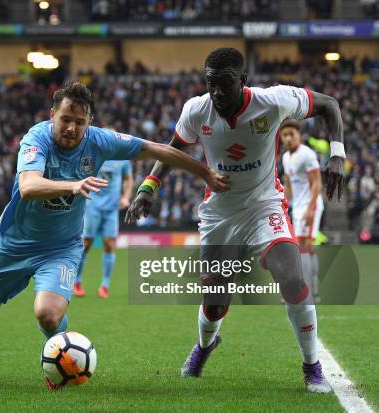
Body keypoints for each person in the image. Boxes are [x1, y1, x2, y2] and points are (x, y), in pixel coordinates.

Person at [0, 81, 229, 388]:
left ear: (89, 121)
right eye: (65, 119)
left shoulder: (100, 140)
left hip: (61, 247)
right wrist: (73, 184)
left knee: (47, 314)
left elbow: (157, 149)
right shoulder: (37, 139)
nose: (71, 128)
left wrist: (204, 173)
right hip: (15, 243)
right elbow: (30, 186)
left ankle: (60, 364)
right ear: (52, 116)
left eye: (79, 121)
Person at [126, 48, 345, 393]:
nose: (216, 92)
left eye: (224, 84)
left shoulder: (273, 101)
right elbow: (172, 150)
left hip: (264, 207)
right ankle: (205, 345)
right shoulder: (197, 110)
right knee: (215, 301)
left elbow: (329, 104)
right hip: (219, 215)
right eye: (210, 83)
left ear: (242, 80)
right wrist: (147, 188)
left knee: (292, 280)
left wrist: (337, 155)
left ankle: (312, 366)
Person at [73, 159, 133, 299]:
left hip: (112, 208)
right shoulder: (95, 153)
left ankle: (105, 285)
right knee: (86, 243)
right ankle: (77, 282)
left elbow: (128, 178)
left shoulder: (123, 158)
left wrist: (126, 197)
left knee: (109, 243)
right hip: (91, 204)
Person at [280, 120, 324, 302]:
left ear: (299, 135)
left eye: (292, 134)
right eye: (285, 135)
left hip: (309, 205)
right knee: (307, 247)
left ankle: (303, 291)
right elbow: (288, 184)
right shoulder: (286, 157)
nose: (289, 138)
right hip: (297, 206)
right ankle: (314, 291)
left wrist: (311, 208)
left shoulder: (307, 154)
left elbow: (317, 183)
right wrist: (284, 202)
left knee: (301, 246)